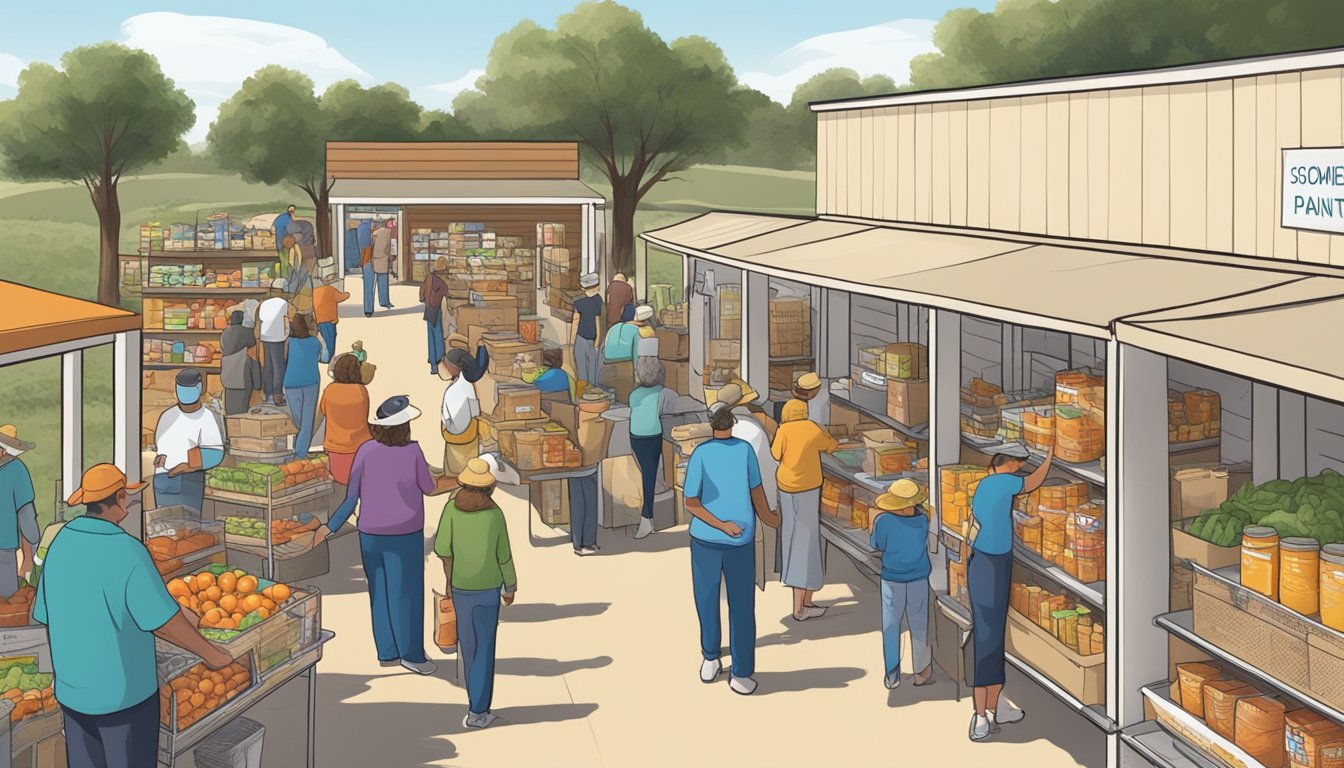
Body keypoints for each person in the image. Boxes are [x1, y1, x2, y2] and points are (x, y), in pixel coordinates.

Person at [35, 464, 233, 768]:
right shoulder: (126, 549)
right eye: (125, 496)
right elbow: (164, 624)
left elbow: (49, 612)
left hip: (73, 694)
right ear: (117, 499)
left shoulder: (60, 543)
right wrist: (213, 654)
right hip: (123, 699)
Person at [315, 396, 455, 674]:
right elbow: (429, 487)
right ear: (404, 427)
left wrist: (328, 528)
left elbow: (350, 498)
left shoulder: (365, 451)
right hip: (405, 533)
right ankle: (412, 654)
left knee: (379, 592)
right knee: (407, 594)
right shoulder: (413, 452)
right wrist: (459, 480)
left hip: (370, 534)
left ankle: (387, 651)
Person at [683, 405, 781, 696]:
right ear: (733, 424)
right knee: (741, 608)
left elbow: (691, 502)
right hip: (740, 541)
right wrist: (772, 519)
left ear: (711, 424)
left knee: (706, 601)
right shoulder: (745, 451)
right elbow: (758, 494)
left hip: (705, 541)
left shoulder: (700, 454)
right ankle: (741, 674)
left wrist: (719, 525)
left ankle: (710, 658)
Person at [967, 444, 1054, 741]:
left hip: (986, 561)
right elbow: (1034, 482)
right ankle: (980, 715)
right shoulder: (1004, 481)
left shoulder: (985, 483)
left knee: (992, 636)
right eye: (1019, 462)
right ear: (1010, 463)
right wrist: (1050, 456)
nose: (1021, 467)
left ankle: (997, 705)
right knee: (988, 639)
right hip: (992, 565)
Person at [434, 457, 517, 730]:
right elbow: (503, 554)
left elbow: (443, 549)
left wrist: (448, 581)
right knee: (484, 650)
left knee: (467, 649)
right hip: (488, 590)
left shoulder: (451, 510)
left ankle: (474, 706)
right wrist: (511, 585)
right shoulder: (495, 515)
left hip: (460, 587)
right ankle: (479, 710)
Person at [770, 398, 839, 621]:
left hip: (785, 489)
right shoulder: (811, 428)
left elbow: (775, 454)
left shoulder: (783, 430)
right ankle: (800, 607)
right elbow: (832, 446)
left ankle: (803, 601)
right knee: (806, 542)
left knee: (792, 538)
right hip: (808, 490)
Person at [871, 478, 935, 690]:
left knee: (890, 625)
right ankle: (921, 672)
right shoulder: (923, 521)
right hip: (918, 578)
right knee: (919, 626)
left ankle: (892, 674)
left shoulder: (883, 521)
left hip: (892, 579)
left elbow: (876, 544)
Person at [153, 370, 225, 514]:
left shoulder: (208, 417)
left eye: (188, 388)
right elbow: (160, 446)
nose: (184, 392)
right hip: (162, 481)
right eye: (181, 388)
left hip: (189, 480)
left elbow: (215, 454)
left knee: (188, 527)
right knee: (163, 526)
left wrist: (185, 466)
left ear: (199, 388)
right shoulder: (167, 415)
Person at [629, 357, 678, 540]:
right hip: (653, 436)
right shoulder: (666, 393)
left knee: (647, 475)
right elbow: (670, 413)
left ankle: (649, 518)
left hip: (635, 437)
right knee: (651, 478)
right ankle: (647, 519)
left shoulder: (634, 395)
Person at [318, 353, 372, 492]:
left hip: (335, 449)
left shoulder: (330, 390)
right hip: (360, 448)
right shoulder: (362, 391)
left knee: (341, 488)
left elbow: (323, 411)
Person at [0, 425, 39, 596]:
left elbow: (26, 516)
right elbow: (26, 517)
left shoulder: (15, 470)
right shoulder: (17, 470)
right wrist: (30, 556)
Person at [284, 315, 323, 459]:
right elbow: (323, 357)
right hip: (311, 382)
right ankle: (300, 453)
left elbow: (283, 359)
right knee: (307, 420)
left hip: (291, 382)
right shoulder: (314, 342)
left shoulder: (289, 342)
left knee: (296, 418)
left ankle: (297, 449)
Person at [439, 349, 481, 475]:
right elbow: (475, 412)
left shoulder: (455, 391)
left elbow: (455, 424)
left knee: (458, 474)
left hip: (458, 440)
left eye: (445, 364)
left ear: (453, 368)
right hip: (470, 436)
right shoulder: (467, 383)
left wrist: (445, 424)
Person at [219, 310, 261, 415]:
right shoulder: (247, 332)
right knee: (241, 412)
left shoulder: (225, 334)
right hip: (242, 377)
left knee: (230, 411)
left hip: (227, 377)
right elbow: (253, 349)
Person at [570, 273, 604, 388]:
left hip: (580, 336)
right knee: (593, 366)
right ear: (597, 286)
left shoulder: (578, 302)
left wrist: (572, 340)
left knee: (580, 365)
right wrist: (598, 340)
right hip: (593, 338)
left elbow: (575, 322)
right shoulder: (599, 301)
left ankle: (582, 390)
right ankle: (593, 389)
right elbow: (598, 323)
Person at [257, 295, 291, 406]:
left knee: (268, 366)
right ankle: (277, 394)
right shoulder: (283, 303)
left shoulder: (265, 304)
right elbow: (286, 319)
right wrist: (286, 335)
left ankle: (268, 393)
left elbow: (261, 318)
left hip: (265, 335)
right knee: (278, 367)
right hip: (278, 337)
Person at [420, 257, 452, 375]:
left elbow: (422, 293)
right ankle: (439, 363)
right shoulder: (445, 280)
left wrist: (425, 299)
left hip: (429, 309)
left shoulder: (430, 277)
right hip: (438, 309)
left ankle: (434, 366)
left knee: (431, 336)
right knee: (439, 336)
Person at [313, 275, 350, 364]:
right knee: (330, 340)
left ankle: (321, 356)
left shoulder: (315, 291)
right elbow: (342, 297)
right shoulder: (331, 290)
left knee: (321, 339)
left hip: (318, 319)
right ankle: (327, 358)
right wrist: (348, 293)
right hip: (329, 320)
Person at [370, 219, 396, 311]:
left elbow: (371, 246)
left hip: (374, 259)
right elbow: (388, 247)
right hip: (383, 259)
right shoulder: (387, 233)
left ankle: (372, 304)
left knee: (372, 284)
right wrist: (390, 256)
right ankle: (384, 301)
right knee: (383, 282)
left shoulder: (374, 233)